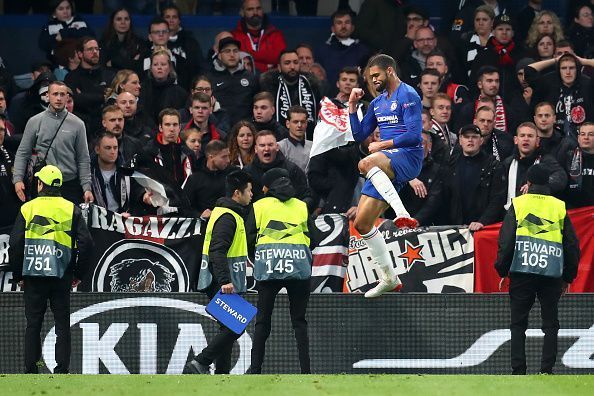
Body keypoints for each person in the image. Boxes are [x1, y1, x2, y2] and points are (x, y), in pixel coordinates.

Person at [348, 54, 423, 298]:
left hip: (408, 158)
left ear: (389, 71)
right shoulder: (377, 103)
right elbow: (360, 135)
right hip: (384, 165)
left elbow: (414, 136)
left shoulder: (409, 95)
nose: (374, 80)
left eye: (376, 75)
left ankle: (402, 213)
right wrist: (351, 107)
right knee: (361, 223)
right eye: (370, 77)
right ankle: (389, 277)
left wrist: (383, 144)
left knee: (365, 162)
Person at [494, 163, 580, 375]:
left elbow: (506, 240)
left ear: (528, 183)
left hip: (522, 271)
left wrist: (503, 270)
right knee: (550, 323)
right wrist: (568, 276)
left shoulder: (519, 203)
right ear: (548, 183)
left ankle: (518, 370)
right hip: (551, 273)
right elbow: (571, 244)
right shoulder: (558, 206)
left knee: (518, 323)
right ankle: (547, 369)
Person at [9, 164, 93, 374]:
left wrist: (19, 274)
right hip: (61, 274)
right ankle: (62, 369)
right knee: (62, 323)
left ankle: (31, 369)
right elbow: (87, 243)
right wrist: (77, 273)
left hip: (33, 273)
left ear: (40, 184)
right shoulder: (71, 208)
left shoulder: (28, 208)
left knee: (33, 324)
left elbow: (15, 243)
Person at [186, 170, 253, 375]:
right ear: (237, 193)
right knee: (237, 324)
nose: (252, 194)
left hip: (217, 276)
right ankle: (201, 361)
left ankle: (221, 374)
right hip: (220, 279)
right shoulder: (228, 217)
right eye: (249, 190)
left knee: (229, 326)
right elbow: (217, 249)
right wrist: (225, 280)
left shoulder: (224, 212)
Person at [246, 168, 312, 374]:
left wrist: (261, 255)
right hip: (299, 268)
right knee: (299, 321)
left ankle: (255, 369)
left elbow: (248, 238)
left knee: (263, 321)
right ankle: (306, 371)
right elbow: (314, 238)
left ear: (266, 187)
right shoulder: (302, 206)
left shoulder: (259, 205)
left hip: (269, 267)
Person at [13, 81, 93, 205]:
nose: (59, 98)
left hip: (69, 184)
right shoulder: (34, 121)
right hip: (43, 183)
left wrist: (86, 188)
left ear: (67, 97)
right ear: (47, 96)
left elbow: (83, 158)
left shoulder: (78, 124)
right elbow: (23, 153)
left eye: (62, 94)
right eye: (55, 94)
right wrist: (17, 179)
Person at [260, 50, 321, 139]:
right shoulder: (269, 87)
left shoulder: (312, 85)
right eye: (287, 63)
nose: (292, 67)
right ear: (279, 67)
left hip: (309, 141)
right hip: (278, 141)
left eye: (295, 62)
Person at [315, 9, 370, 97]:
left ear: (352, 27)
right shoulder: (321, 50)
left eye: (347, 22)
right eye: (339, 23)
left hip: (356, 100)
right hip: (328, 100)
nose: (343, 26)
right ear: (333, 28)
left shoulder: (363, 51)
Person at [208, 37, 259, 127]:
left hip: (245, 129)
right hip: (219, 129)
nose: (232, 55)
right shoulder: (209, 78)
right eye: (227, 51)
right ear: (219, 55)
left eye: (235, 51)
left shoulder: (251, 78)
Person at [184, 140, 235, 220]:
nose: (228, 160)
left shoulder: (232, 175)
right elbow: (185, 208)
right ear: (211, 157)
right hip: (203, 225)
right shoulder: (195, 179)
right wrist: (199, 215)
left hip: (229, 222)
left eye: (228, 156)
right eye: (224, 157)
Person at [231, 0, 287, 73]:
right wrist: (266, 66)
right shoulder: (234, 36)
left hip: (272, 79)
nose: (255, 13)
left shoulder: (275, 34)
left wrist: (249, 55)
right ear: (242, 12)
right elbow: (236, 60)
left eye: (258, 8)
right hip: (245, 80)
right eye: (250, 9)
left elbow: (281, 57)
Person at [100, 8, 146, 74]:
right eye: (119, 19)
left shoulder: (139, 42)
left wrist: (113, 63)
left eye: (126, 19)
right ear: (112, 22)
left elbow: (141, 67)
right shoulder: (104, 43)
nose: (123, 22)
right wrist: (132, 62)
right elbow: (102, 68)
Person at [563, 122, 594, 208]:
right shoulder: (567, 158)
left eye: (590, 134)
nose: (586, 137)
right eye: (583, 134)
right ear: (578, 138)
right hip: (574, 212)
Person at [277, 105, 312, 172]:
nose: (299, 125)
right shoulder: (280, 147)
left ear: (306, 123)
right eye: (295, 122)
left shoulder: (313, 146)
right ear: (288, 124)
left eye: (302, 122)